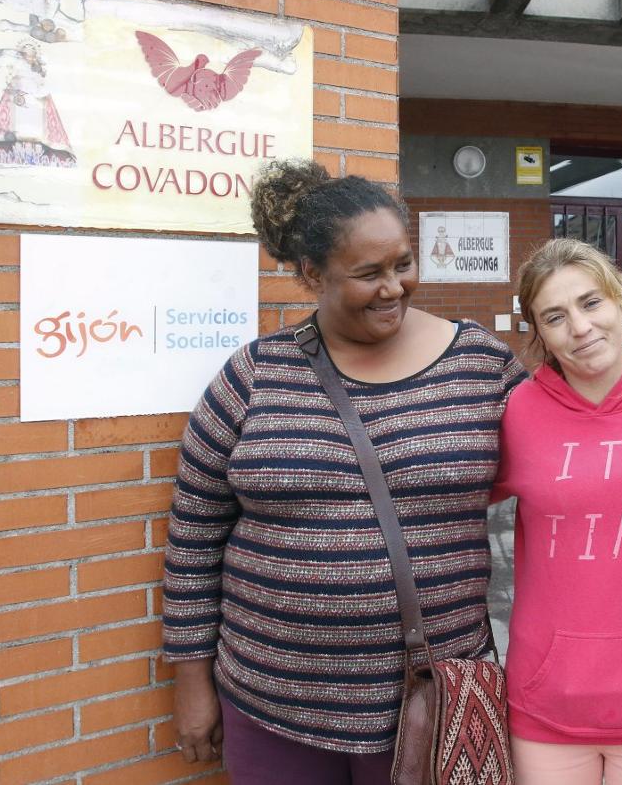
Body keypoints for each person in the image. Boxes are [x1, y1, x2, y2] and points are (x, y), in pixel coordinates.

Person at [162, 159, 525, 785]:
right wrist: (191, 681)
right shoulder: (253, 377)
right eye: (368, 273)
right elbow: (194, 538)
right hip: (270, 701)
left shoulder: (482, 367)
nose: (394, 287)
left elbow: (567, 470)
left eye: (403, 263)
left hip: (433, 698)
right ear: (311, 274)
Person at [493, 238, 622, 785]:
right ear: (538, 332)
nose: (579, 329)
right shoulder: (518, 411)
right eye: (554, 317)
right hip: (545, 701)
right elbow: (443, 501)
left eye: (590, 303)